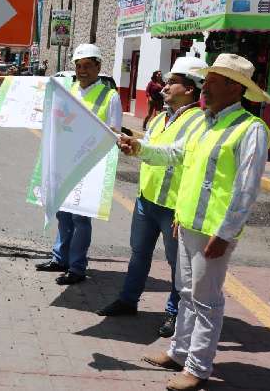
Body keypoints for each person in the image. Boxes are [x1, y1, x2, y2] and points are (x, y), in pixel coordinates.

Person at [119, 53, 270, 391]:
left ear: (235, 87)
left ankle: (198, 367)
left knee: (206, 299)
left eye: (214, 80)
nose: (207, 85)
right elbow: (175, 154)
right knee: (186, 292)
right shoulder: (206, 122)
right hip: (186, 222)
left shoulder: (251, 130)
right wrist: (139, 148)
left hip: (213, 232)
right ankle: (179, 351)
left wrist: (226, 233)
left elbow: (246, 190)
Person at [97, 57, 208, 338]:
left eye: (172, 82)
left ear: (190, 89)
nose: (165, 86)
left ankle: (174, 312)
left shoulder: (200, 122)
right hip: (147, 199)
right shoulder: (160, 117)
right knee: (138, 254)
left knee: (177, 266)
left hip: (174, 206)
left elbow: (173, 153)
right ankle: (128, 299)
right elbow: (152, 144)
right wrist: (129, 139)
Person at [35, 43, 122, 285]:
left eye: (87, 66)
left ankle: (77, 267)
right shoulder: (68, 90)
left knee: (81, 219)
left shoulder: (110, 96)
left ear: (98, 67)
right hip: (65, 161)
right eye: (79, 66)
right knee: (63, 214)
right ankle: (59, 258)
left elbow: (114, 132)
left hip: (90, 166)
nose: (82, 71)